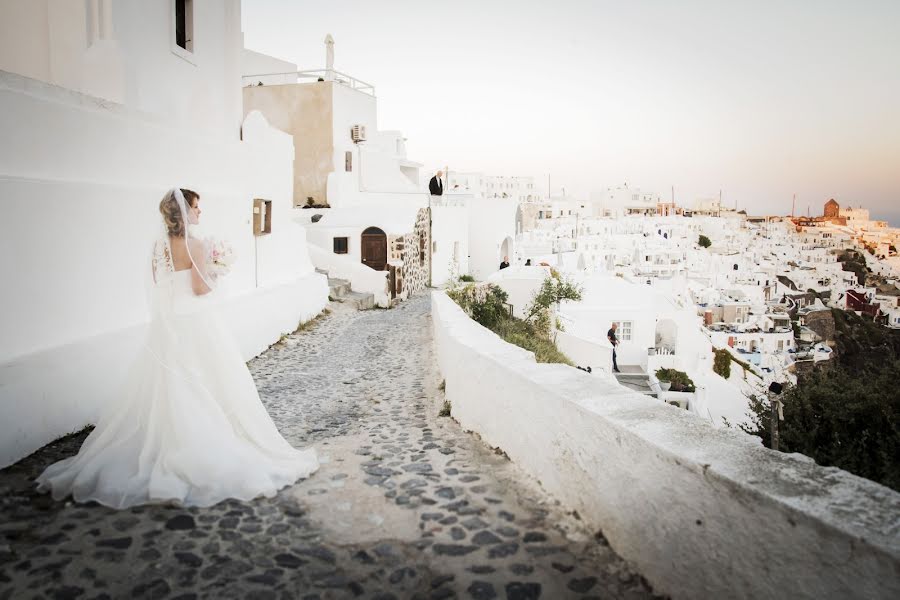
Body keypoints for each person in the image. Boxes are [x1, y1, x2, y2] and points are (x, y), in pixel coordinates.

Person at [36, 188, 318, 508]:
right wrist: (217, 272)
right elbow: (199, 289)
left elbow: (160, 285)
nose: (200, 213)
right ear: (185, 212)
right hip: (196, 322)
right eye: (197, 208)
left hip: (168, 324)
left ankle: (167, 441)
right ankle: (201, 445)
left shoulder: (159, 247)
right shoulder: (195, 245)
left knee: (170, 382)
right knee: (209, 380)